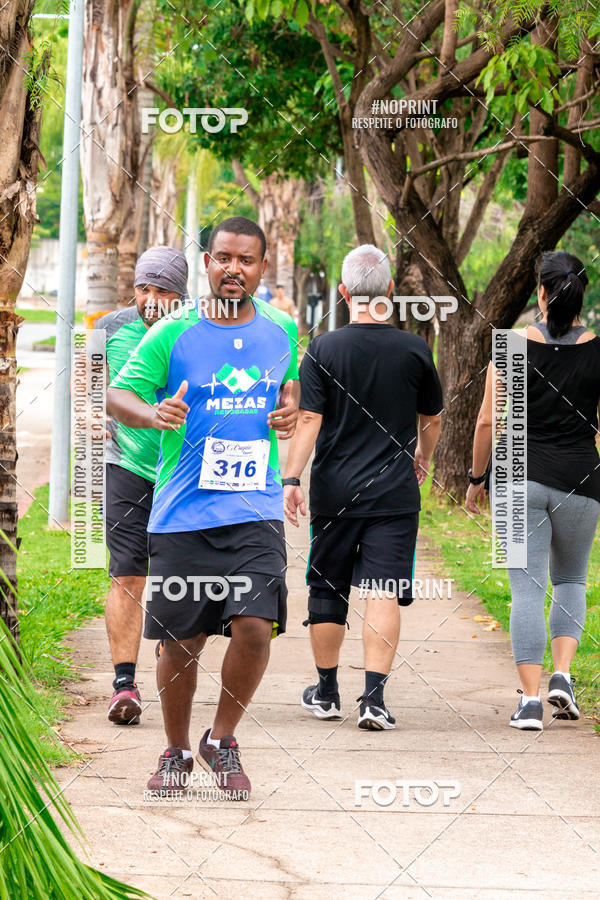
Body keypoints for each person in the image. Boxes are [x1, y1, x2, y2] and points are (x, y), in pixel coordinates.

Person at [106, 217, 299, 796]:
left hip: (253, 506)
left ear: (263, 268)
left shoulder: (283, 329)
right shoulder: (174, 330)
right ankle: (175, 749)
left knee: (256, 628)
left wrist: (287, 410)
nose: (232, 269)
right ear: (208, 264)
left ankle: (222, 737)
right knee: (181, 641)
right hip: (183, 511)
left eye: (245, 260)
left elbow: (287, 387)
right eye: (222, 258)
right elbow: (118, 394)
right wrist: (153, 413)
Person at [283, 244, 443, 730]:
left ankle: (327, 692)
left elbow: (309, 419)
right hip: (394, 494)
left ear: (343, 291)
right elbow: (432, 418)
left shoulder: (324, 349)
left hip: (335, 491)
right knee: (383, 589)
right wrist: (423, 457)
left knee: (327, 586)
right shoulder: (415, 349)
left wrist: (291, 478)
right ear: (391, 291)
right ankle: (373, 700)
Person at [466, 250, 600, 731]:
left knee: (527, 587)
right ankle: (561, 676)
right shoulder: (597, 350)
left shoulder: (511, 347)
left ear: (540, 293)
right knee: (571, 580)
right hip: (583, 480)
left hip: (518, 477)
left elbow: (486, 420)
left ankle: (528, 701)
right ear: (581, 294)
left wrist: (476, 479)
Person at [97, 246, 188, 726]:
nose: (151, 299)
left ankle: (167, 652)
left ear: (181, 293)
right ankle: (123, 683)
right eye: (143, 288)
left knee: (177, 577)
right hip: (125, 466)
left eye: (163, 290)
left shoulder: (195, 329)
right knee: (127, 573)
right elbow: (91, 386)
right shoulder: (109, 327)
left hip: (182, 471)